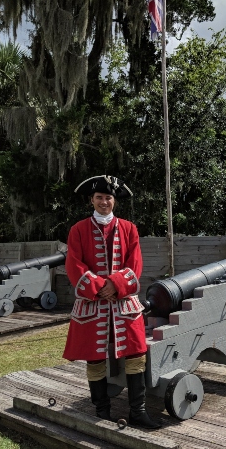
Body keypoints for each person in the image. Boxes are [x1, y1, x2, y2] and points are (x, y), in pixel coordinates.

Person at [62, 175, 161, 430]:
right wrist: (98, 288)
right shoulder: (78, 229)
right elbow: (74, 264)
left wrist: (115, 285)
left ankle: (137, 411)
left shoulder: (129, 228)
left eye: (108, 198)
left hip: (123, 304)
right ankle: (101, 412)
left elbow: (134, 263)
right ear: (91, 201)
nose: (104, 202)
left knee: (137, 353)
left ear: (114, 201)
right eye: (99, 198)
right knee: (94, 358)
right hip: (92, 305)